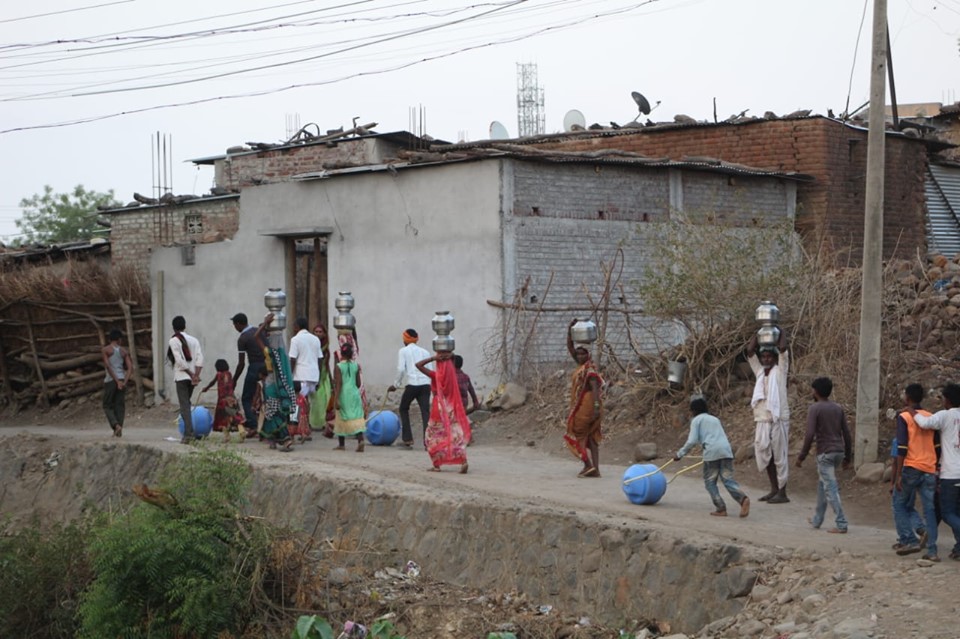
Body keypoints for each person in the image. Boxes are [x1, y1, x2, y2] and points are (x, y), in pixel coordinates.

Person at [674, 397, 750, 518]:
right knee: (727, 479)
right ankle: (743, 499)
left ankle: (721, 508)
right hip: (726, 451)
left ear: (694, 410)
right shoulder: (715, 419)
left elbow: (692, 440)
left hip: (711, 453)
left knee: (710, 482)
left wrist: (680, 454)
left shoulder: (696, 420)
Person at [796, 377, 852, 534]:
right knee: (823, 485)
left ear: (816, 391)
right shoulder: (838, 408)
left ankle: (841, 523)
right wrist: (848, 456)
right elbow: (847, 434)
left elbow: (809, 434)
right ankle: (817, 519)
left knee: (830, 488)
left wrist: (802, 456)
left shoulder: (815, 408)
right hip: (838, 452)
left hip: (825, 453)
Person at [911, 383, 960, 561]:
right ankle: (958, 548)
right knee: (957, 511)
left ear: (947, 400)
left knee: (947, 513)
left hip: (950, 473)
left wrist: (912, 412)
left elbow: (925, 423)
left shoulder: (945, 416)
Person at [892, 383, 940, 559]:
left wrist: (897, 476)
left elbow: (902, 447)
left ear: (908, 398)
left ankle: (909, 539)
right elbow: (937, 446)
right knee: (929, 509)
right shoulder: (930, 416)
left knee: (899, 504)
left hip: (912, 466)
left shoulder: (904, 416)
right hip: (929, 467)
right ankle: (932, 550)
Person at [746, 329, 791, 503]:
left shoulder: (780, 371)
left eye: (769, 357)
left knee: (780, 456)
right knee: (766, 455)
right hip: (762, 419)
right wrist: (759, 333)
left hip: (779, 418)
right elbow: (750, 352)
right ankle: (774, 489)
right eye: (763, 357)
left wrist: (779, 332)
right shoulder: (759, 372)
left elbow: (783, 349)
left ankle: (783, 492)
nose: (766, 359)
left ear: (773, 358)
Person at [415, 351, 470, 473]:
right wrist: (450, 357)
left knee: (433, 436)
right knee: (455, 434)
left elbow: (418, 365)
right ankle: (463, 460)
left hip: (438, 408)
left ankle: (437, 464)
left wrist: (433, 358)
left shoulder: (436, 376)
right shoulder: (453, 377)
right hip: (451, 407)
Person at [563, 319, 603, 478]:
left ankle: (588, 465)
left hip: (587, 405)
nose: (579, 356)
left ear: (588, 355)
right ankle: (595, 469)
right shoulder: (582, 366)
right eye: (578, 354)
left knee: (579, 433)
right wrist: (569, 329)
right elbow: (570, 347)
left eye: (582, 354)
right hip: (587, 405)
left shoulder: (590, 369)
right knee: (591, 437)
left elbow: (594, 389)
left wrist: (595, 408)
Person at [251, 314, 296, 452]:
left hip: (271, 385)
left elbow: (256, 337)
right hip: (279, 385)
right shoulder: (281, 355)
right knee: (275, 411)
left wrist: (265, 323)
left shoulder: (270, 352)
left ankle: (284, 438)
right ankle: (274, 439)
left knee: (272, 412)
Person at [387, 329, 432, 449]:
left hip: (412, 384)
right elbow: (431, 371)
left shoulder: (403, 351)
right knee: (425, 412)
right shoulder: (425, 352)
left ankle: (407, 439)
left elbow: (401, 369)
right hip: (426, 384)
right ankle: (428, 441)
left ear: (405, 339)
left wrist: (395, 385)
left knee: (403, 408)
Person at [167, 315, 204, 444]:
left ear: (173, 328)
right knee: (187, 404)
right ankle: (190, 432)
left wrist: (190, 373)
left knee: (184, 406)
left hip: (182, 376)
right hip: (193, 378)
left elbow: (179, 361)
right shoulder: (194, 340)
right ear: (185, 326)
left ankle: (189, 434)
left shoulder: (174, 341)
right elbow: (199, 359)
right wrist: (196, 375)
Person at [288, 316, 323, 442]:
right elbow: (320, 359)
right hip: (313, 376)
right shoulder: (315, 339)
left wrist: (288, 376)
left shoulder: (295, 340)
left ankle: (297, 431)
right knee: (305, 402)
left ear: (297, 326)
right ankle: (306, 430)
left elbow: (292, 359)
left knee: (296, 404)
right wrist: (318, 376)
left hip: (300, 376)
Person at [232, 312, 266, 439]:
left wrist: (234, 379)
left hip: (254, 367)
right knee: (266, 397)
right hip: (266, 367)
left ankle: (253, 425)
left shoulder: (243, 338)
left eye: (235, 325)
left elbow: (241, 363)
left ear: (239, 324)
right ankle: (264, 425)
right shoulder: (258, 331)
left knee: (246, 398)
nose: (235, 327)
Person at [332, 341, 366, 452]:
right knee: (356, 416)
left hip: (343, 394)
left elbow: (339, 383)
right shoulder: (356, 365)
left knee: (341, 417)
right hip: (354, 393)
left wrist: (336, 399)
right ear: (352, 354)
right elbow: (358, 383)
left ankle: (341, 444)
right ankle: (360, 439)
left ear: (341, 354)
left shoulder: (338, 366)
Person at [201, 359, 244, 442]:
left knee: (223, 418)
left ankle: (227, 436)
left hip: (223, 401)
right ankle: (242, 431)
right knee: (235, 415)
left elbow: (212, 382)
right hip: (232, 399)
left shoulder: (219, 374)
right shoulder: (229, 374)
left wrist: (206, 388)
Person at [101, 329, 133, 438]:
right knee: (119, 405)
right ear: (119, 340)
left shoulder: (106, 350)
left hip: (111, 380)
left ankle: (115, 425)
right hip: (121, 379)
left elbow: (108, 366)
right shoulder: (124, 351)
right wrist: (124, 381)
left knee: (107, 405)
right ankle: (119, 429)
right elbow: (130, 368)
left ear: (110, 339)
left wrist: (116, 381)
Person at [308, 324, 333, 433]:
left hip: (324, 376)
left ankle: (323, 423)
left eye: (320, 332)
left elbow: (327, 364)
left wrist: (331, 380)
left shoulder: (326, 348)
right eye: (316, 332)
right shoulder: (311, 347)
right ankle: (313, 423)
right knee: (316, 400)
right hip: (314, 375)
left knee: (325, 399)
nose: (318, 334)